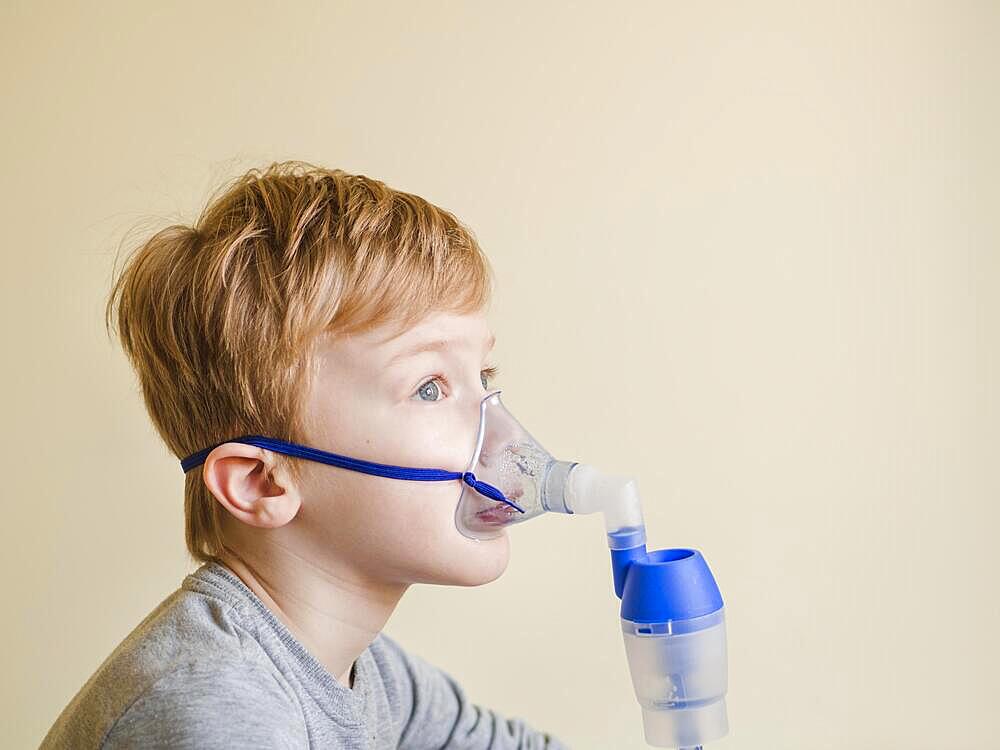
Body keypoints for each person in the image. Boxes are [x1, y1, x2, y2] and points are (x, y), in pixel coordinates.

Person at [40, 161, 568, 749]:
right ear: (262, 482)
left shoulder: (376, 681)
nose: (498, 432)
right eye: (429, 387)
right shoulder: (214, 709)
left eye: (482, 374)